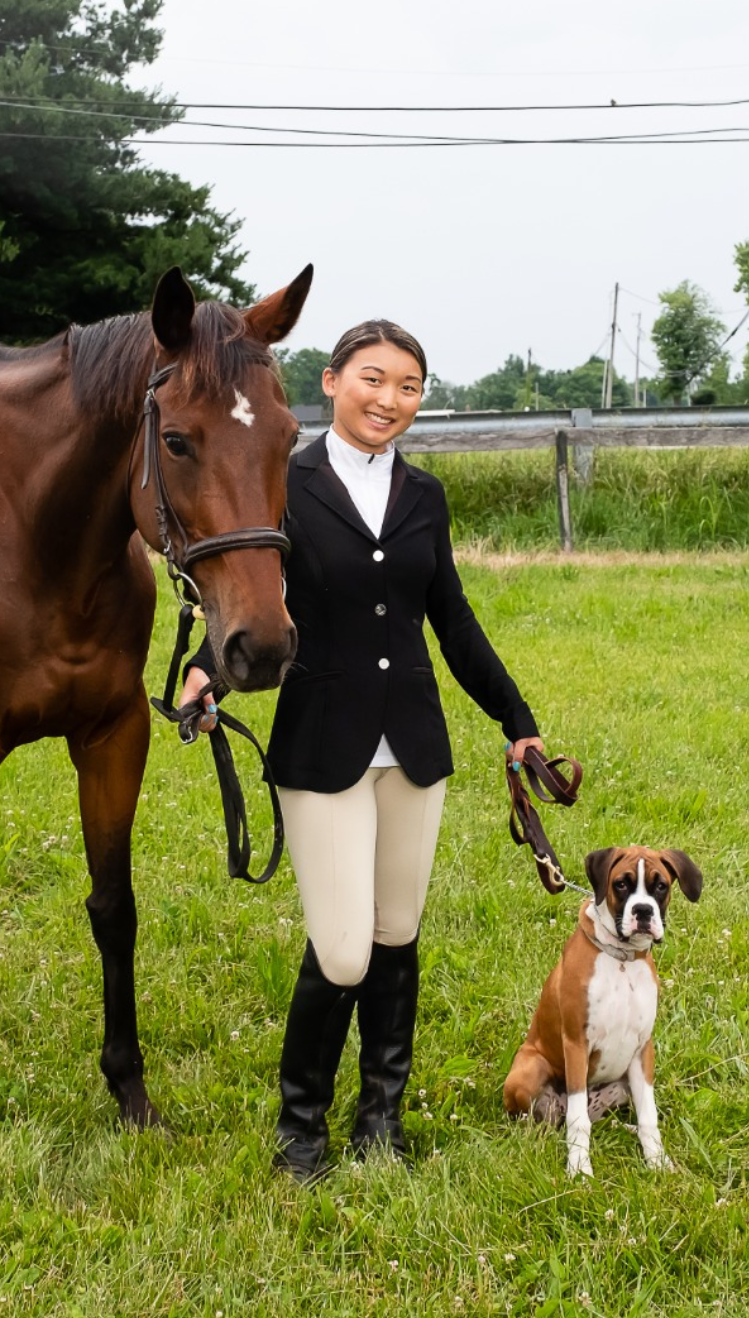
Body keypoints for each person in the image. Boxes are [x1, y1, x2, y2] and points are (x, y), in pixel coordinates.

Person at [180, 319, 546, 1180]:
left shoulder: (426, 496)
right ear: (333, 380)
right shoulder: (284, 481)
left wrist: (515, 717)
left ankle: (380, 1116)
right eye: (374, 379)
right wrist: (205, 670)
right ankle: (299, 1126)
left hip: (413, 743)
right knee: (342, 949)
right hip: (322, 743)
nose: (391, 399)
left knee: (395, 933)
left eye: (409, 386)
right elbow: (253, 594)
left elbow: (451, 617)